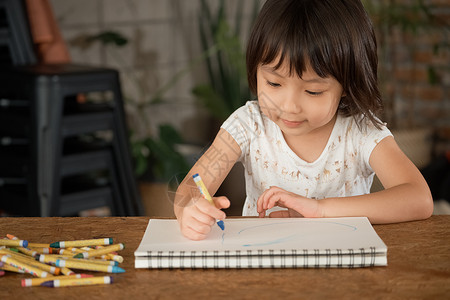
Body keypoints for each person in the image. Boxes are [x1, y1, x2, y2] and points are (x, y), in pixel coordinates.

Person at [174, 0, 433, 240]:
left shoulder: (360, 131)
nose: (289, 106)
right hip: (263, 265)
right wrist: (191, 208)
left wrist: (319, 210)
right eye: (274, 83)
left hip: (343, 266)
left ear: (347, 84)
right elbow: (190, 189)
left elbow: (418, 198)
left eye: (313, 91)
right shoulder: (248, 124)